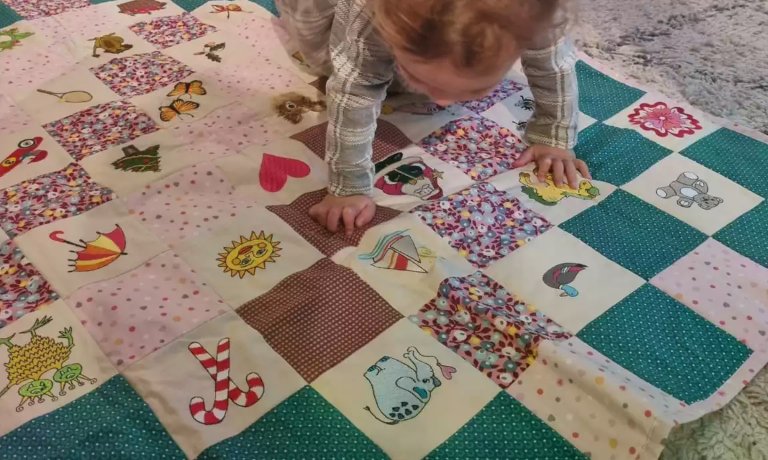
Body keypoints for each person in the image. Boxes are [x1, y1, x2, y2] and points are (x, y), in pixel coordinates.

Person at [276, 0, 590, 235]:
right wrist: (348, 186)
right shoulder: (368, 12)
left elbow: (555, 66)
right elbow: (355, 90)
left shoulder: (538, 14)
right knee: (314, 34)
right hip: (329, 17)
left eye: (475, 89)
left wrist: (554, 135)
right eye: (420, 77)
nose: (441, 100)